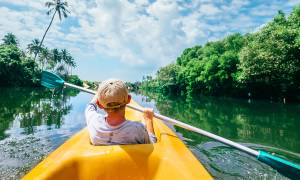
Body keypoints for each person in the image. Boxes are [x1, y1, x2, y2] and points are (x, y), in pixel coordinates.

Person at [85, 79, 157, 145]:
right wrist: (148, 119)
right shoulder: (138, 129)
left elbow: (90, 106)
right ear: (128, 99)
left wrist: (98, 95)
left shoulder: (93, 121)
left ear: (99, 104)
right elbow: (153, 144)